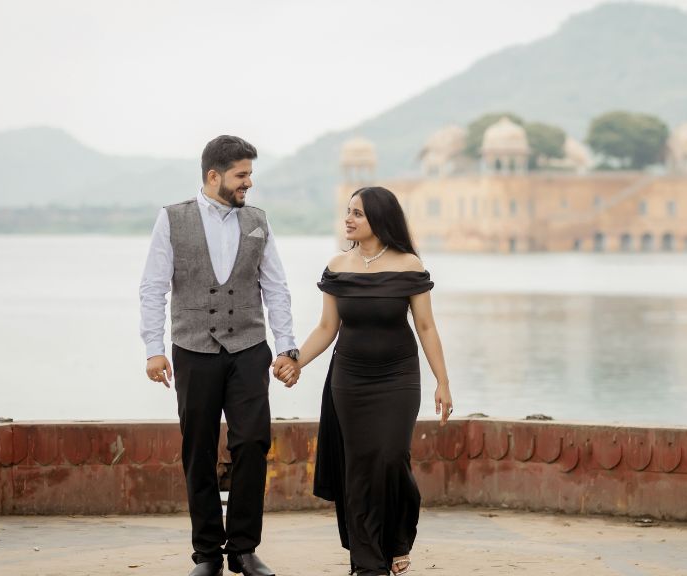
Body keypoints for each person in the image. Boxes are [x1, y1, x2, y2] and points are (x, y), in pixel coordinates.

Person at [139, 135, 301, 576]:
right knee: (198, 449)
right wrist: (154, 349)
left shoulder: (257, 221)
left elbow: (277, 287)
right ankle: (208, 554)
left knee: (252, 442)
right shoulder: (172, 219)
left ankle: (244, 549)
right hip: (192, 349)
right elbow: (153, 287)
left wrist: (287, 347)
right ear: (214, 175)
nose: (249, 182)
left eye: (249, 174)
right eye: (242, 175)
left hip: (249, 347)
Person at [282, 186, 453, 575]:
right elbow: (327, 327)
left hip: (399, 377)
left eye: (357, 213)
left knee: (392, 458)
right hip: (351, 378)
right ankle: (366, 561)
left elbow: (426, 327)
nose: (349, 219)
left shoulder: (409, 265)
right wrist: (297, 361)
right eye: (348, 212)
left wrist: (443, 382)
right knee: (359, 467)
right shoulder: (338, 266)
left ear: (379, 218)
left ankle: (397, 540)